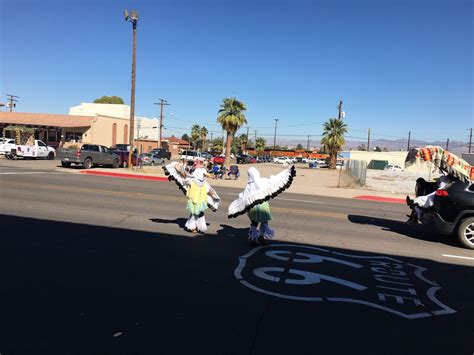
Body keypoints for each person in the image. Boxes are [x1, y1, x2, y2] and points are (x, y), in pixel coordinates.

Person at [228, 166, 296, 246]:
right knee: (264, 222)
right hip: (263, 206)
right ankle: (261, 236)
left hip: (252, 208)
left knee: (254, 223)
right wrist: (287, 171)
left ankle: (252, 238)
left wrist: (233, 208)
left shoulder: (248, 187)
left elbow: (242, 198)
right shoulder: (262, 181)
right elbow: (274, 180)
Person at [163, 160, 220, 233]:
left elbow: (205, 174)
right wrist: (183, 167)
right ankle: (193, 227)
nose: (202, 166)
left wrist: (211, 176)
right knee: (197, 212)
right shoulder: (193, 177)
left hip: (201, 196)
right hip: (195, 195)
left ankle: (195, 226)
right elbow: (186, 176)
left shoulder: (202, 173)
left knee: (198, 212)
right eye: (200, 165)